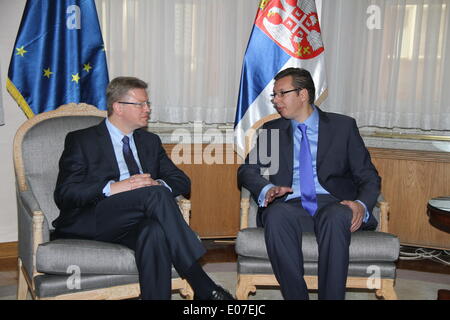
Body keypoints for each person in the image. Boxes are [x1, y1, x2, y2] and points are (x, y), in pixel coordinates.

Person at [52, 76, 233, 300]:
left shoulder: (150, 141)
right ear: (118, 107)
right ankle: (201, 282)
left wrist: (157, 183)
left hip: (136, 220)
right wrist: (114, 187)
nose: (147, 109)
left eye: (148, 103)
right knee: (153, 194)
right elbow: (65, 193)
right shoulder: (82, 140)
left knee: (154, 232)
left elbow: (182, 181)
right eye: (141, 104)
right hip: (95, 218)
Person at [237, 67, 381, 300]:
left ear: (303, 94)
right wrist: (267, 188)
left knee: (336, 216)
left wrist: (361, 205)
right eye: (274, 95)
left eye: (281, 93)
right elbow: (247, 170)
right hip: (291, 204)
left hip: (334, 203)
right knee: (276, 215)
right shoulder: (272, 131)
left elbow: (368, 176)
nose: (275, 100)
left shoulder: (342, 127)